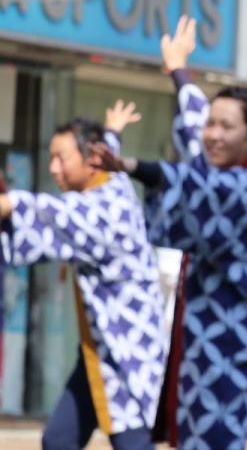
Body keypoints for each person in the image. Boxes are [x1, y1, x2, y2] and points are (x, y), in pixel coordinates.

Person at [89, 17, 247, 450]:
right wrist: (178, 69)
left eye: (226, 127)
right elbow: (195, 122)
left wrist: (131, 166)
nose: (211, 134)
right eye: (211, 123)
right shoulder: (219, 161)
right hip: (199, 329)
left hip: (235, 339)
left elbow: (192, 183)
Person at [0, 104, 164, 450]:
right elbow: (109, 153)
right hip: (97, 349)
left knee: (132, 442)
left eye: (61, 158)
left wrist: (11, 204)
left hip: (127, 352)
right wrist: (113, 130)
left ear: (91, 159)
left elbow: (53, 213)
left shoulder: (104, 208)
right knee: (58, 441)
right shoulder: (113, 178)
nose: (53, 169)